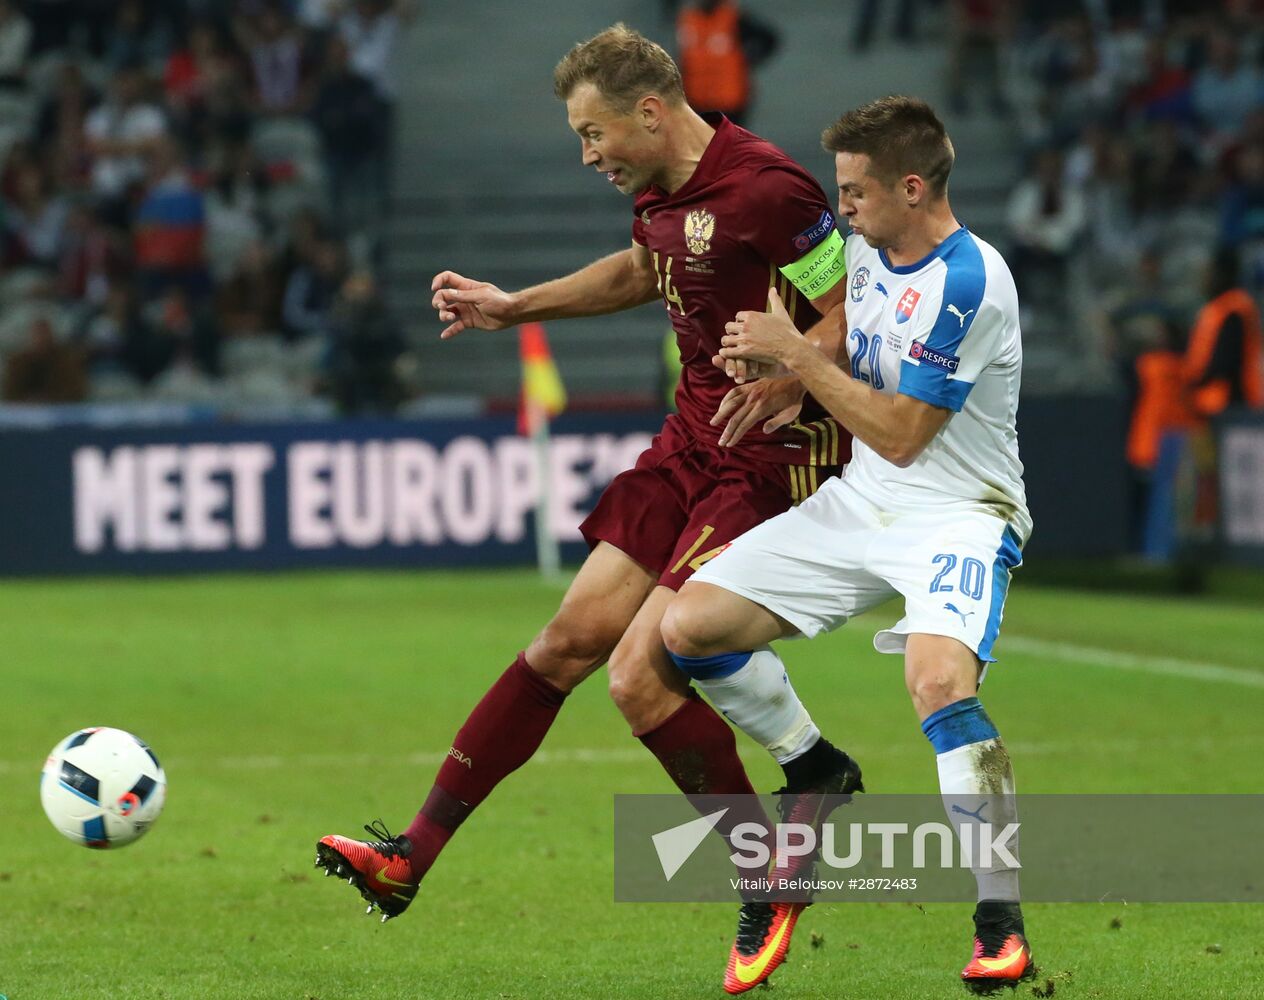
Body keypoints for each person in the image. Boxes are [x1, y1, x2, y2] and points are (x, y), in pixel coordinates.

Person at [314, 22, 858, 992]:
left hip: (770, 458)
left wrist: (800, 369)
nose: (587, 154)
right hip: (689, 444)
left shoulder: (768, 190)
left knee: (638, 681)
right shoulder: (662, 194)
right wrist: (512, 304)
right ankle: (408, 861)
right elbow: (644, 269)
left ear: (649, 112)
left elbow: (856, 302)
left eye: (593, 132)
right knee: (565, 641)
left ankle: (765, 876)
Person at [660, 96, 1037, 993]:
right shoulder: (866, 256)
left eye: (857, 191)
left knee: (940, 683)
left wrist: (800, 354)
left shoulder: (972, 282)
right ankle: (816, 764)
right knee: (690, 629)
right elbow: (856, 367)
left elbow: (906, 433)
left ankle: (1000, 922)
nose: (845, 209)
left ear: (913, 187)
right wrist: (788, 385)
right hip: (862, 500)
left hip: (958, 511)